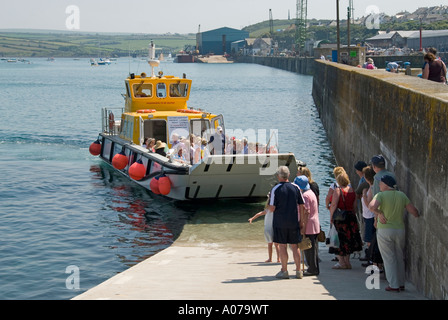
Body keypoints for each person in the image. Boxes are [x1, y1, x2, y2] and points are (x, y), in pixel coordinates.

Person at [369, 175, 419, 292]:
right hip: (399, 230)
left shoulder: (380, 195)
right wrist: (418, 214)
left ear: (386, 185)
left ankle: (394, 284)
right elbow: (414, 212)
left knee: (389, 258)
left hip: (385, 230)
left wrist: (379, 213)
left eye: (381, 183)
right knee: (399, 256)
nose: (380, 185)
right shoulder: (402, 195)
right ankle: (401, 283)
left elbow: (371, 206)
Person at [267, 166, 305, 279]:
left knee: (282, 246)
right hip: (294, 221)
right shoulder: (296, 187)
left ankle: (284, 270)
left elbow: (272, 208)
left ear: (278, 176)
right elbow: (302, 206)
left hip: (280, 222)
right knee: (295, 246)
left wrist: (267, 204)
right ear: (288, 175)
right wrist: (302, 222)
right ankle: (299, 271)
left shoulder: (276, 189)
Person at [329, 171, 363, 269]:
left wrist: (331, 216)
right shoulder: (352, 190)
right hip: (350, 217)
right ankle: (347, 262)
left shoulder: (338, 190)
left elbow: (334, 204)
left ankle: (341, 262)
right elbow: (354, 206)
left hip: (340, 218)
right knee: (348, 239)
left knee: (338, 240)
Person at [294, 175, 320, 276]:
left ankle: (312, 269)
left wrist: (303, 227)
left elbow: (306, 212)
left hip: (309, 225)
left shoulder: (305, 196)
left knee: (309, 249)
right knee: (313, 248)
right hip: (314, 223)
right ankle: (314, 268)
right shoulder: (311, 193)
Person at [248, 193, 279, 263]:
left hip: (268, 229)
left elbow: (259, 213)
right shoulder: (276, 209)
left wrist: (252, 218)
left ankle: (270, 258)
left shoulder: (268, 209)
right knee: (277, 244)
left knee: (270, 244)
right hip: (276, 227)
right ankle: (278, 259)